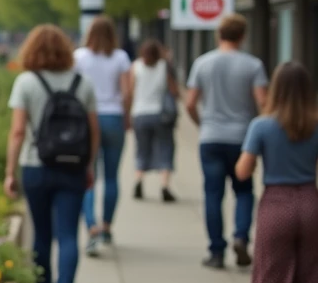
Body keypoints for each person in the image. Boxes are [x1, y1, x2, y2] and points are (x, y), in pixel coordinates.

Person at [4, 25, 100, 283]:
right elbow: (93, 131)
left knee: (42, 235)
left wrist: (9, 172)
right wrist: (89, 166)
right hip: (72, 168)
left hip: (36, 166)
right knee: (69, 235)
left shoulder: (26, 82)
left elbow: (17, 132)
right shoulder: (82, 83)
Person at [234, 62, 318, 283]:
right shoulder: (315, 125)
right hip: (310, 204)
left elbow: (243, 171)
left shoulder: (262, 126)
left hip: (277, 205)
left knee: (275, 282)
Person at [185, 14, 268, 269]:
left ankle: (216, 251)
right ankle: (241, 236)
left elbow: (190, 103)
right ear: (242, 36)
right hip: (242, 139)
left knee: (213, 194)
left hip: (211, 137)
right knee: (243, 191)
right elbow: (263, 103)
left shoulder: (202, 63)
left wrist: (202, 124)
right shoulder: (253, 65)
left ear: (218, 34)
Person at [72, 16, 131, 257]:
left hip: (87, 119)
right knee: (112, 177)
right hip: (113, 117)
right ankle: (107, 226)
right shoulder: (120, 57)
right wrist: (126, 116)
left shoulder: (79, 57)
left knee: (88, 176)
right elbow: (126, 92)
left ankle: (91, 226)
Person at [130, 38, 179, 202]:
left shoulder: (136, 66)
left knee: (141, 149)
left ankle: (139, 180)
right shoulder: (164, 66)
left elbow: (130, 91)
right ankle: (164, 185)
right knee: (165, 147)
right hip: (160, 114)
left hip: (140, 113)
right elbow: (174, 90)